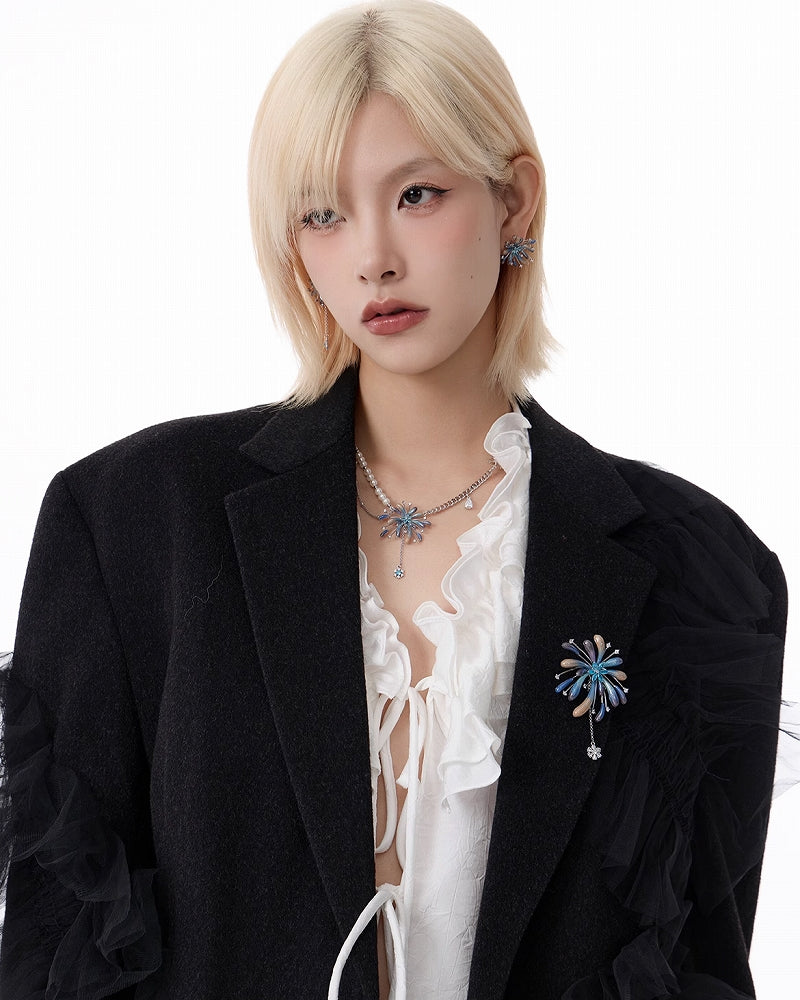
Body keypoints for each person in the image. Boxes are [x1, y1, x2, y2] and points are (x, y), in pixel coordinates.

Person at [0, 1, 788, 998]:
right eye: (323, 214)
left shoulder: (699, 569)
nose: (372, 255)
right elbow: (55, 951)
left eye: (417, 194)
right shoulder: (131, 522)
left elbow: (694, 964)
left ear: (515, 201)